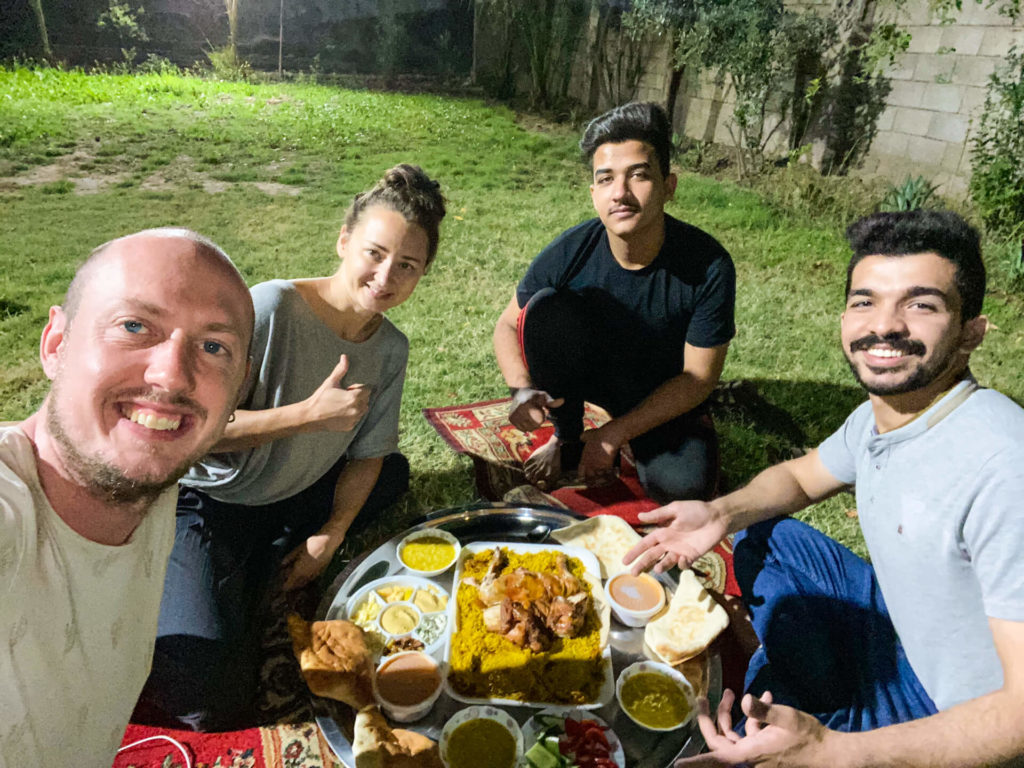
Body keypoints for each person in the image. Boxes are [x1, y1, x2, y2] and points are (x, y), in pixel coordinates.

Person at [625, 210, 1024, 767]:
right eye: (865, 301)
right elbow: (799, 476)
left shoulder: (1003, 465)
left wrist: (836, 752)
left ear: (971, 334)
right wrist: (719, 513)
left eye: (921, 304)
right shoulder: (885, 414)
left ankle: (825, 719)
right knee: (760, 533)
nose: (884, 325)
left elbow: (1018, 715)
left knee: (756, 750)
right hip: (897, 621)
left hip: (946, 707)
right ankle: (814, 692)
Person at [133, 164, 446, 731]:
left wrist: (329, 537)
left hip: (297, 491)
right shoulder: (271, 307)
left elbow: (369, 453)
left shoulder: (390, 348)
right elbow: (189, 428)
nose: (385, 277)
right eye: (375, 253)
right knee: (208, 702)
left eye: (407, 266)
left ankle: (265, 560)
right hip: (211, 501)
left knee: (390, 472)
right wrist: (304, 416)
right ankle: (231, 571)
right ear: (344, 240)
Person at [0, 229, 254, 767]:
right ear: (55, 345)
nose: (171, 374)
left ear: (238, 390)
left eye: (214, 347)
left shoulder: (153, 484)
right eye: (134, 326)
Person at [493, 102, 735, 503]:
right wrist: (520, 388)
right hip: (592, 373)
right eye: (605, 180)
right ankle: (566, 435)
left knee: (682, 489)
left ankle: (629, 437)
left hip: (663, 386)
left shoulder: (708, 264)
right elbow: (507, 323)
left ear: (668, 186)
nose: (620, 193)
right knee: (545, 307)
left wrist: (613, 434)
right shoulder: (572, 249)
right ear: (593, 193)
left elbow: (698, 379)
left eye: (638, 176)